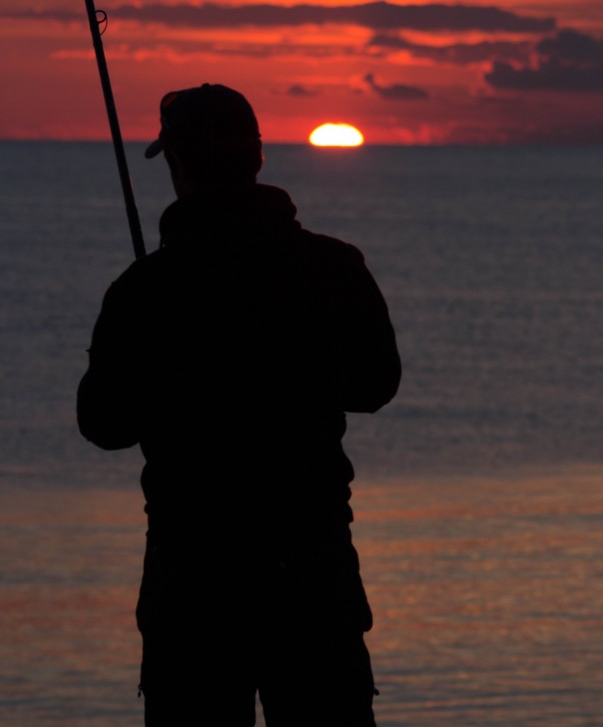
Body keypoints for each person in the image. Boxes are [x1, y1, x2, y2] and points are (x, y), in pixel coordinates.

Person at [77, 84, 401, 727]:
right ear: (257, 157)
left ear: (177, 167)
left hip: (192, 584)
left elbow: (104, 425)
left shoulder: (145, 291)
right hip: (313, 574)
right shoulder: (334, 267)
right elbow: (375, 386)